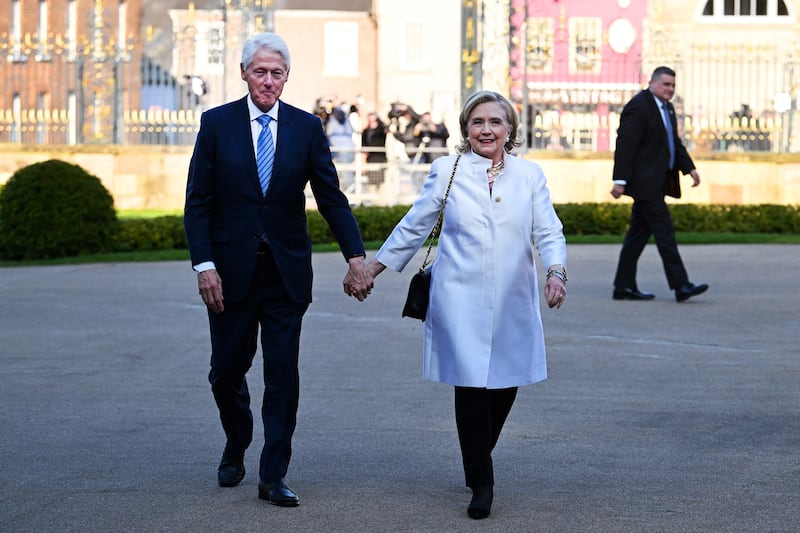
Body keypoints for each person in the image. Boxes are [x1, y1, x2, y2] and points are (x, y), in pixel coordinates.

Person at [183, 32, 372, 507]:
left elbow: (331, 197)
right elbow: (198, 204)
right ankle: (237, 438)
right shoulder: (216, 124)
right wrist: (204, 265)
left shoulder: (307, 127)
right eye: (260, 71)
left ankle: (273, 475)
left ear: (287, 77)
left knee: (283, 375)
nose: (268, 81)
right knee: (226, 372)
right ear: (244, 73)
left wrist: (356, 257)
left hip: (286, 274)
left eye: (277, 73)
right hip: (228, 274)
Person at [364, 90, 567, 519]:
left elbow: (549, 230)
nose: (486, 129)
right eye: (478, 122)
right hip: (457, 297)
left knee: (506, 382)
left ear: (510, 128)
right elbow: (414, 225)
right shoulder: (447, 170)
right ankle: (482, 479)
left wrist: (555, 272)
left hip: (513, 296)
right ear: (466, 129)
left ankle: (477, 452)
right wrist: (371, 269)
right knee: (472, 383)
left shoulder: (529, 175)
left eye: (495, 122)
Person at [611, 66, 709, 302]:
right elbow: (626, 145)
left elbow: (672, 142)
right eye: (666, 84)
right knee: (665, 234)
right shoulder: (638, 106)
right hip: (645, 184)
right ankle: (681, 285)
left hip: (659, 181)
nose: (670, 89)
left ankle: (623, 286)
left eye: (673, 85)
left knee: (637, 236)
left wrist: (689, 168)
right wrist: (619, 180)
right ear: (652, 83)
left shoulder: (668, 108)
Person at [361, 112, 388, 184]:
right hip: (371, 157)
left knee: (380, 177)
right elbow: (363, 143)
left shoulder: (381, 129)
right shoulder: (366, 131)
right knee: (372, 177)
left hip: (380, 156)